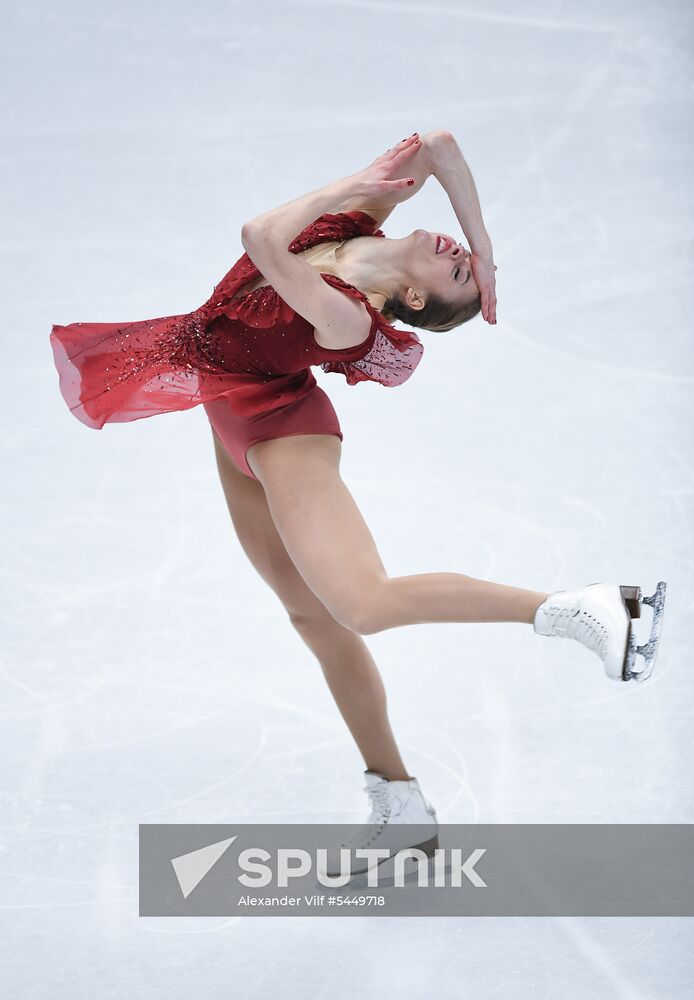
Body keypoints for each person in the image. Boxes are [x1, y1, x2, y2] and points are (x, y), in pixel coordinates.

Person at [50, 130, 665, 871]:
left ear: (412, 298)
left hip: (283, 430)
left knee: (362, 604)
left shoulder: (346, 314)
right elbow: (437, 145)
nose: (461, 259)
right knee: (311, 613)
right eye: (464, 262)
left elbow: (259, 236)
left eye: (461, 274)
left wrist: (350, 185)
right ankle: (399, 804)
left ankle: (594, 609)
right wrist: (486, 248)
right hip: (231, 414)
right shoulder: (350, 233)